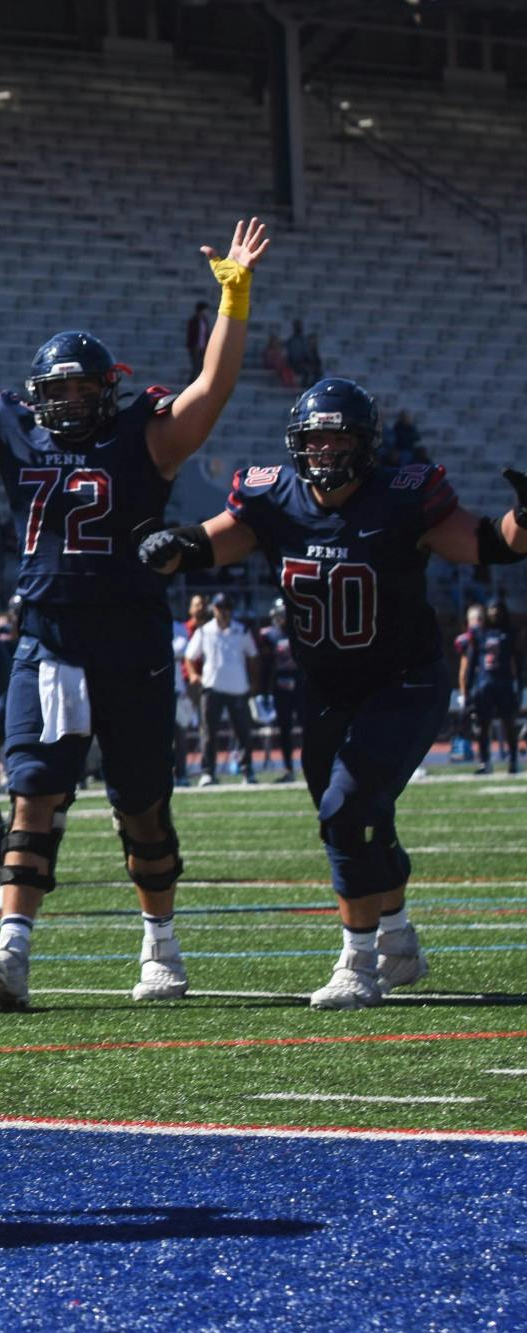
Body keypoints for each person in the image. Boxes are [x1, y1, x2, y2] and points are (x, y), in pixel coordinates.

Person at [0, 218, 271, 1011]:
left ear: (107, 389)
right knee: (35, 790)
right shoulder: (15, 436)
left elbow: (213, 391)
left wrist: (233, 300)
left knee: (140, 802)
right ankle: (14, 950)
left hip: (129, 637)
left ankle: (161, 942)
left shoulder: (150, 435)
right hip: (48, 637)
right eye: (54, 390)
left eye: (78, 389)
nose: (64, 402)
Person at [140, 377, 527, 1008]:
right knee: (352, 817)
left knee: (348, 809)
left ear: (366, 444)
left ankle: (359, 963)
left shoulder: (405, 497)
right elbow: (208, 543)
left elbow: (487, 543)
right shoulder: (273, 497)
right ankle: (399, 940)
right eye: (313, 438)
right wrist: (166, 544)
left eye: (337, 437)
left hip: (404, 681)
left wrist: (523, 519)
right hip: (326, 687)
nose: (323, 451)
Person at [185, 591, 258, 786]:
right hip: (212, 687)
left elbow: (253, 656)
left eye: (227, 608)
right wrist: (193, 674)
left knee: (243, 731)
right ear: (214, 609)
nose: (224, 612)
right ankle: (208, 772)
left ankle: (247, 770)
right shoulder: (204, 631)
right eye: (220, 608)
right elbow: (190, 656)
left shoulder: (242, 630)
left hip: (238, 688)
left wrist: (253, 683)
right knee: (209, 732)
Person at [459, 602, 520, 775]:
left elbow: (518, 662)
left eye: (497, 610)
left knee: (508, 723)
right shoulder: (479, 634)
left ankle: (513, 760)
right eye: (491, 610)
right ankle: (485, 762)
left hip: (504, 684)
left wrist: (519, 686)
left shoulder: (509, 634)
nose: (494, 613)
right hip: (484, 685)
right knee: (482, 726)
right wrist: (468, 689)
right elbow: (471, 663)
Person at [257, 602, 301, 781]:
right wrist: (264, 690)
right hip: (280, 687)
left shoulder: (300, 632)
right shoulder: (269, 635)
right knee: (285, 728)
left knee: (309, 726)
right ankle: (288, 768)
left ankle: (313, 764)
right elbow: (266, 665)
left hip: (300, 684)